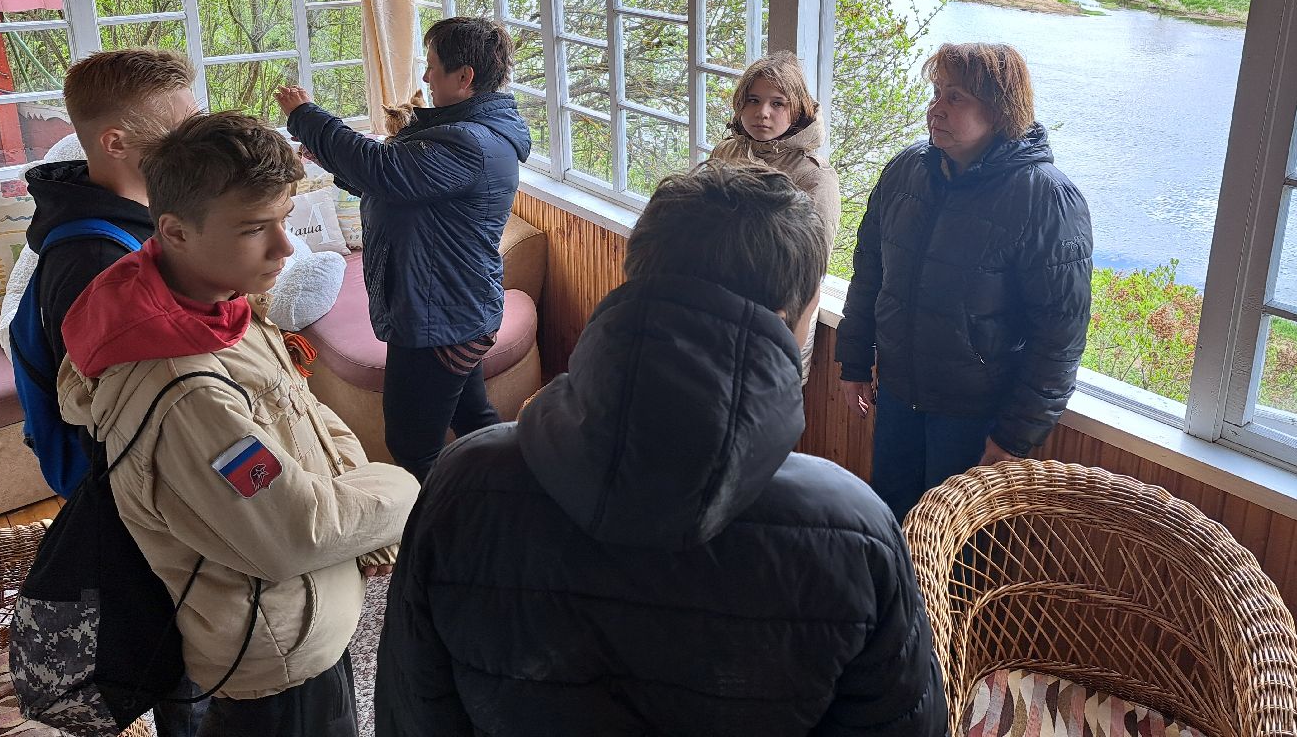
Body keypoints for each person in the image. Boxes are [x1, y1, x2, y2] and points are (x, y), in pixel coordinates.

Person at [375, 162, 949, 737]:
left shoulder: (462, 483)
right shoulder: (855, 530)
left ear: (635, 275)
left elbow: (416, 711)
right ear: (797, 318)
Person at [57, 112, 419, 737]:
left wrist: (354, 505)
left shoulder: (212, 307)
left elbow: (304, 411)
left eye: (283, 220)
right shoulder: (184, 391)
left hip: (306, 615)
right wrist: (407, 489)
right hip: (276, 652)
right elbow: (293, 534)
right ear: (174, 231)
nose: (285, 247)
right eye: (256, 229)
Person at [20, 48, 203, 737]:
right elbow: (124, 414)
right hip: (144, 497)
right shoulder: (95, 257)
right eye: (178, 129)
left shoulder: (130, 223)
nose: (191, 142)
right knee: (186, 662)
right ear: (115, 142)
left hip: (156, 485)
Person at [836, 42, 1093, 525]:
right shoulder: (907, 171)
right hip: (897, 394)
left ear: (998, 111)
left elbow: (1060, 334)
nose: (936, 108)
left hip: (974, 416)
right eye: (936, 93)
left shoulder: (1046, 198)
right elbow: (870, 271)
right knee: (891, 523)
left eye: (954, 97)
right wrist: (853, 361)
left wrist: (1015, 435)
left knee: (956, 550)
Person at [277, 16, 531, 482]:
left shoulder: (467, 143)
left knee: (413, 447)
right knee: (473, 420)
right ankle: (512, 496)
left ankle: (446, 534)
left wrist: (306, 115)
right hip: (452, 309)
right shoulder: (463, 132)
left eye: (432, 66)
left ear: (464, 77)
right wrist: (327, 154)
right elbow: (393, 184)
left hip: (440, 319)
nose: (425, 77)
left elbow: (385, 170)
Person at [709, 51, 840, 379]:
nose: (762, 113)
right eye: (753, 100)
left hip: (778, 320)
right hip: (719, 308)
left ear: (797, 109)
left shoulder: (813, 177)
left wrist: (789, 348)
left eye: (777, 103)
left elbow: (811, 269)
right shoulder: (727, 152)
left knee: (769, 416)